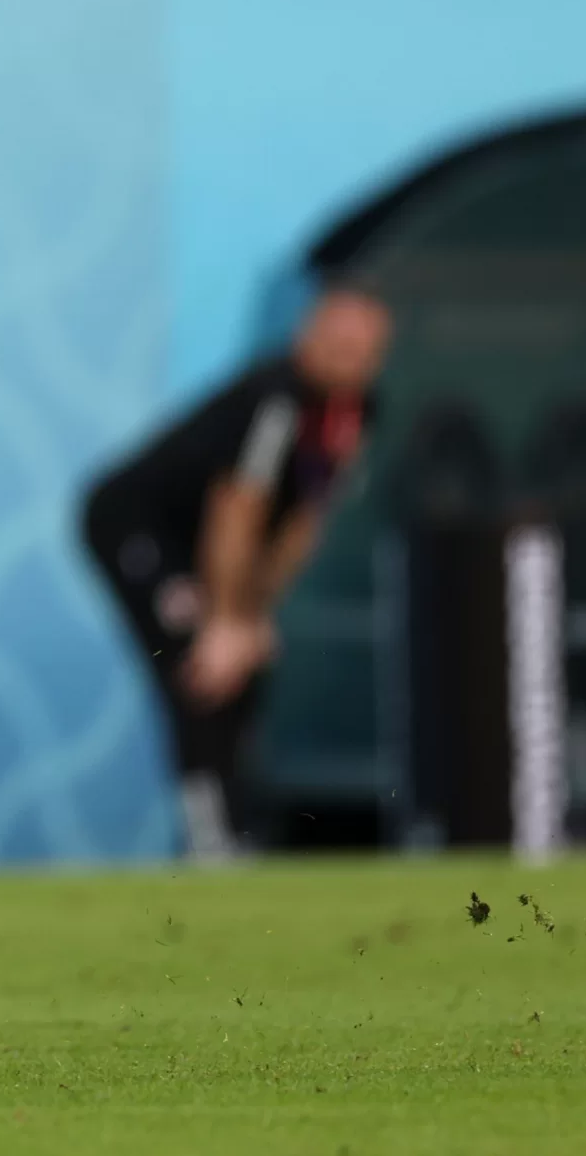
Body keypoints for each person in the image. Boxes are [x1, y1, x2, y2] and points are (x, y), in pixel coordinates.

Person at [81, 289, 391, 858]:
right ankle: (209, 835)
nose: (348, 359)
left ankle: (234, 825)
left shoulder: (355, 415)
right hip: (138, 526)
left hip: (207, 547)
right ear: (308, 339)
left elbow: (302, 520)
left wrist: (253, 617)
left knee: (244, 669)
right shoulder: (277, 399)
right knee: (196, 660)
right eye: (336, 343)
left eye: (361, 349)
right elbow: (237, 508)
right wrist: (224, 619)